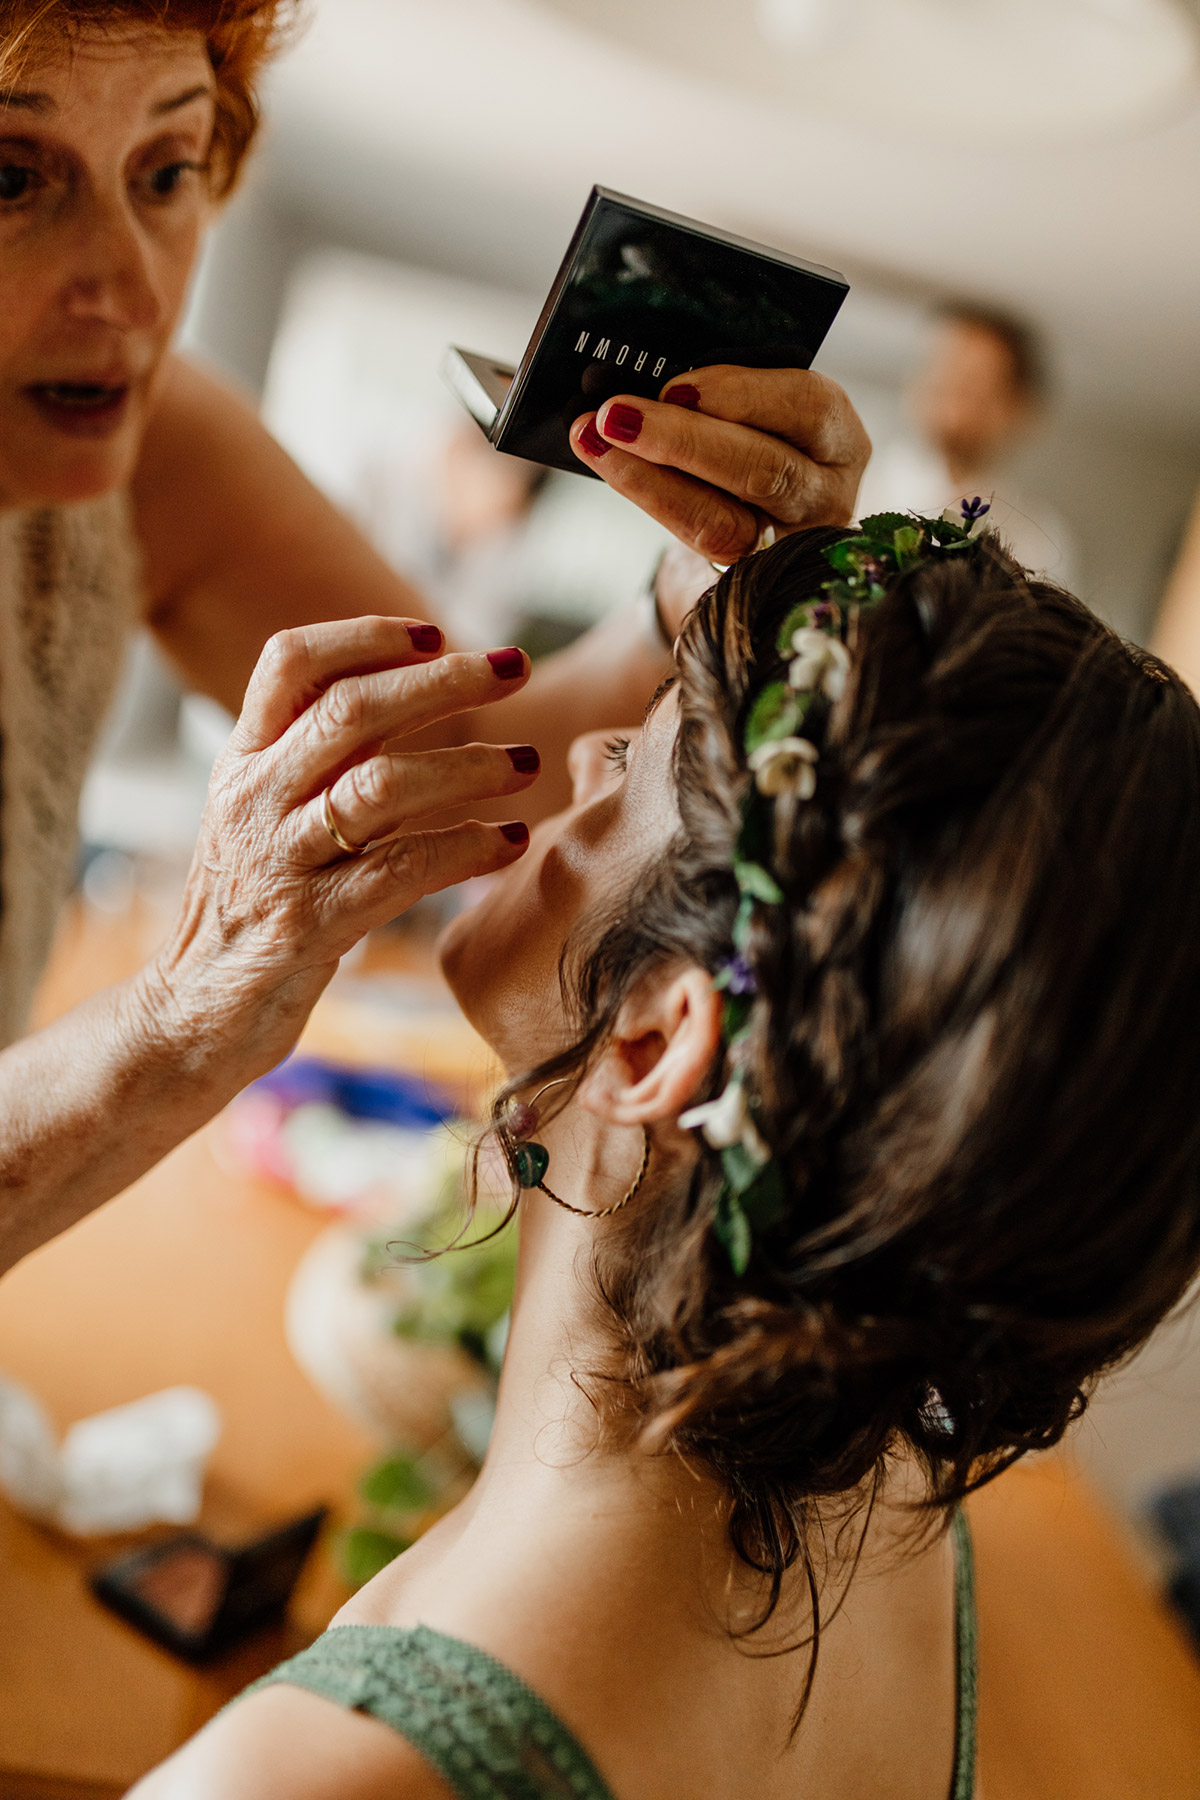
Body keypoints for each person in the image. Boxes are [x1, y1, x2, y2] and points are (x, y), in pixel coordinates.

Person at [134, 516, 1200, 1799]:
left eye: (636, 755)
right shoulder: (888, 1494)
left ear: (652, 1043)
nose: (584, 751)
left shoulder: (302, 1782)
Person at [0, 0, 870, 1276]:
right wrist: (179, 1021)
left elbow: (469, 750)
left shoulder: (154, 454)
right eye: (11, 179)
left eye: (168, 171)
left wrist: (686, 589)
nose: (133, 291)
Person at [856, 302, 1076, 584]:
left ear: (1018, 408)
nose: (950, 405)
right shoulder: (856, 490)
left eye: (974, 388)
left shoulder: (1037, 542)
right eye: (939, 379)